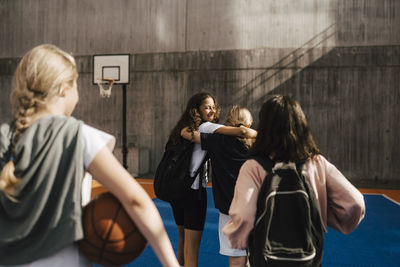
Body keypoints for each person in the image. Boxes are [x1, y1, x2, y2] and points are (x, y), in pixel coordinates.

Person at [0, 44, 179, 267]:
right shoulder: (77, 135)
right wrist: (172, 264)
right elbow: (136, 200)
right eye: (76, 84)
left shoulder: (4, 137)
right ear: (64, 88)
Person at [222, 95, 366, 256]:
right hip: (307, 254)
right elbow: (355, 204)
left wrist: (238, 240)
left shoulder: (253, 167)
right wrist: (322, 219)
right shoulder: (317, 163)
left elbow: (243, 215)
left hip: (267, 255)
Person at [168, 93, 256, 267]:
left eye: (212, 107)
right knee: (250, 255)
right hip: (248, 206)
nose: (212, 110)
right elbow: (243, 132)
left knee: (184, 242)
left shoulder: (208, 137)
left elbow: (187, 134)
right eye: (207, 107)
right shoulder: (213, 130)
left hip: (186, 192)